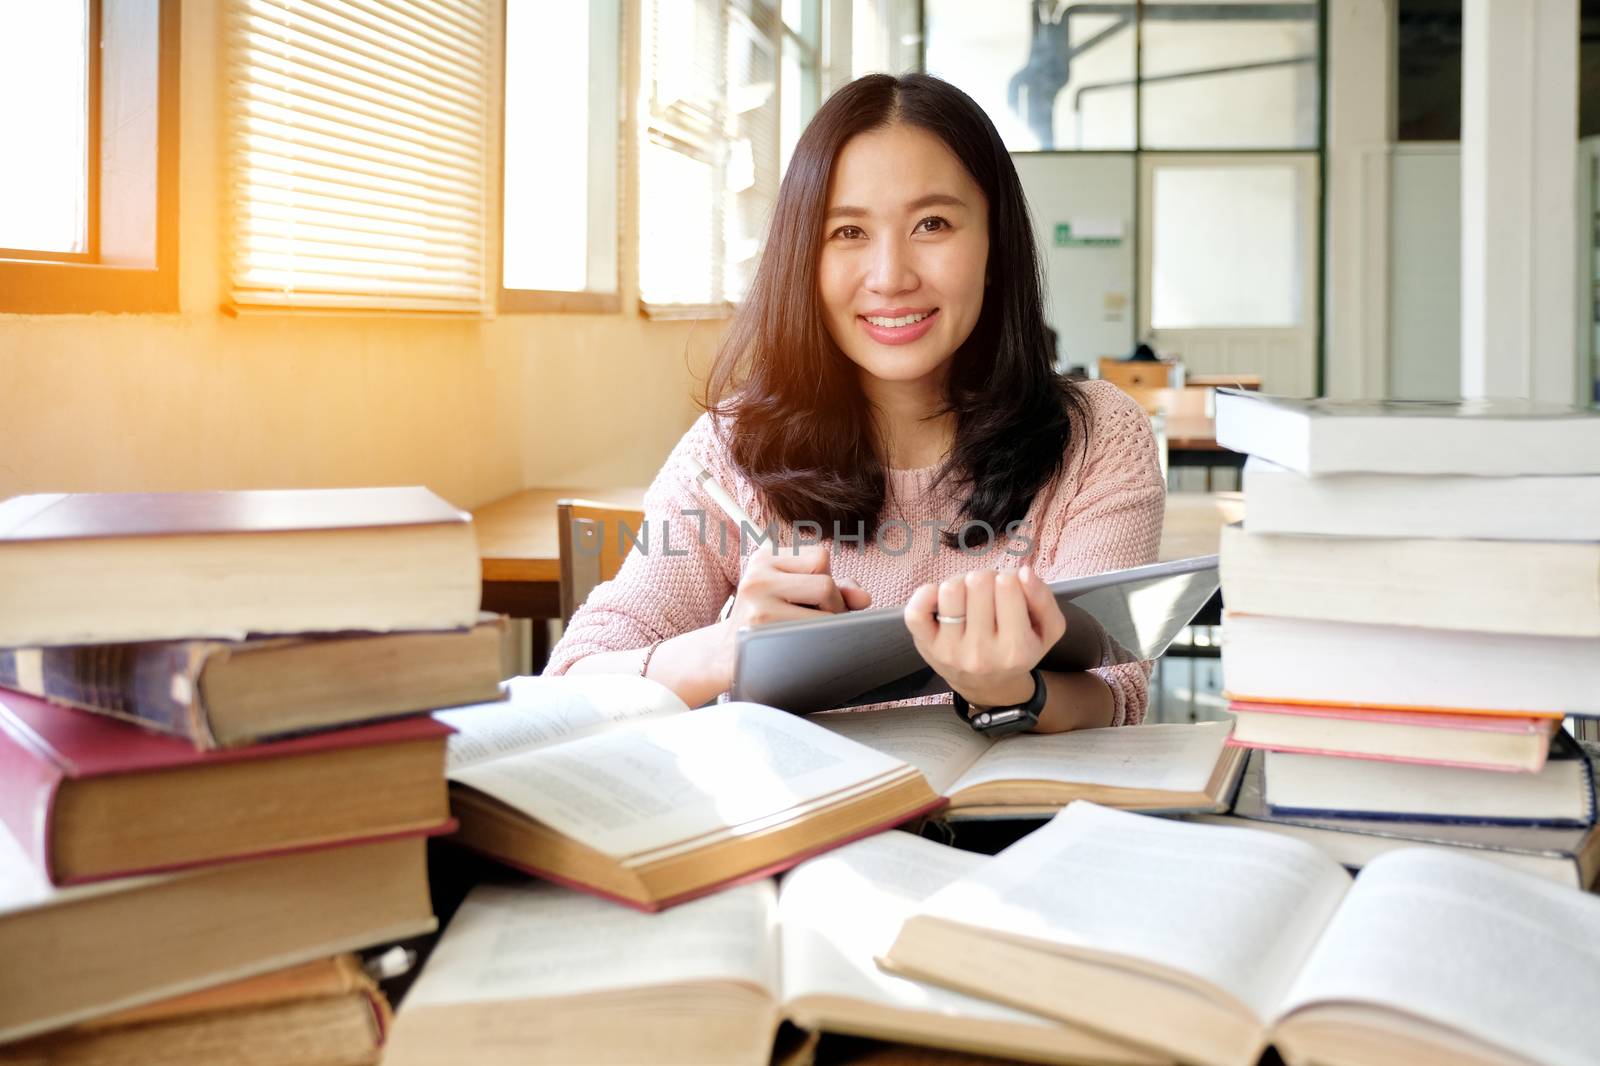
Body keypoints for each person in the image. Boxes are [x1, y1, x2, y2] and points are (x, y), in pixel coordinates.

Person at [547, 73, 1164, 731]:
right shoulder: (732, 450)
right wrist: (731, 649)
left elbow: (1115, 690)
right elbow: (574, 679)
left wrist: (1015, 691)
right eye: (847, 232)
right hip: (801, 825)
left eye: (932, 223)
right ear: (803, 258)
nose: (891, 276)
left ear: (994, 243)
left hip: (1012, 828)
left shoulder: (1094, 434)